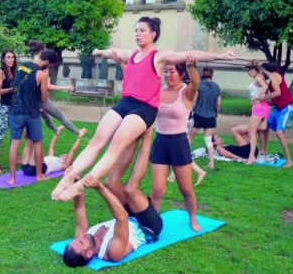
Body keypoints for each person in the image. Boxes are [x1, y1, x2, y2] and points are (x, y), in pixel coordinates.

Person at [51, 16, 237, 202]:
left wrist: (220, 56)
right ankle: (69, 177)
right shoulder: (131, 54)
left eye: (142, 30)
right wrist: (100, 51)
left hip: (144, 109)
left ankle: (79, 185)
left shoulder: (158, 58)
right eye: (136, 30)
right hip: (126, 103)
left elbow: (190, 52)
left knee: (115, 146)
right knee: (96, 141)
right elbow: (113, 51)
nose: (137, 34)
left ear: (153, 33)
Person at [63, 130, 163, 267]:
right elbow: (122, 216)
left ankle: (134, 133)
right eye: (80, 242)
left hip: (128, 217)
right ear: (89, 254)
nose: (80, 237)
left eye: (76, 239)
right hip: (147, 225)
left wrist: (76, 181)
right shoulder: (112, 252)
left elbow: (79, 206)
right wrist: (99, 188)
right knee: (131, 189)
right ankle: (147, 136)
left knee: (111, 182)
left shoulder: (84, 237)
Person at [150, 55, 203, 231]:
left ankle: (193, 218)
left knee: (186, 190)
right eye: (166, 71)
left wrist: (191, 67)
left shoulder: (186, 92)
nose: (168, 75)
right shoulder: (159, 91)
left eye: (171, 71)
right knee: (157, 190)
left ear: (181, 74)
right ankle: (154, 224)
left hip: (179, 143)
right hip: (160, 142)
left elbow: (196, 84)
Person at [7, 48, 59, 185]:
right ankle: (39, 175)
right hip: (32, 112)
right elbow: (44, 97)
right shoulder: (41, 74)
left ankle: (12, 178)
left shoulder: (21, 65)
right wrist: (45, 79)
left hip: (15, 111)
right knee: (37, 142)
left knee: (14, 143)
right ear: (47, 62)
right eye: (50, 65)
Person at [27, 40, 82, 137]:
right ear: (41, 51)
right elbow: (47, 86)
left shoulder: (31, 65)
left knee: (45, 116)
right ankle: (78, 133)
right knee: (59, 115)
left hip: (33, 100)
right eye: (45, 48)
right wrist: (65, 87)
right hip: (40, 100)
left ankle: (56, 130)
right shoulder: (43, 68)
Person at [255, 62, 293, 168]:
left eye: (260, 71)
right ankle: (263, 152)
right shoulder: (272, 78)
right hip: (278, 108)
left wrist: (262, 98)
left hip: (287, 108)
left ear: (263, 70)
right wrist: (264, 102)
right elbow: (276, 99)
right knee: (263, 127)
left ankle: (290, 161)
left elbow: (278, 93)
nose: (260, 73)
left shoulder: (273, 77)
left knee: (279, 133)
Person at [230, 60, 270, 164]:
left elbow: (266, 87)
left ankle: (252, 156)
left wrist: (257, 97)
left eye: (249, 70)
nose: (248, 72)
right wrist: (256, 98)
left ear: (254, 69)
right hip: (260, 106)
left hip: (260, 107)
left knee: (252, 131)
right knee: (259, 130)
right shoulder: (259, 77)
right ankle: (262, 152)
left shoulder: (258, 77)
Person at [188, 66, 221, 169]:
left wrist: (190, 112)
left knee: (189, 138)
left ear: (202, 73)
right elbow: (218, 104)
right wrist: (216, 114)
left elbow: (194, 101)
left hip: (199, 114)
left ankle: (184, 159)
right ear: (212, 74)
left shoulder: (199, 85)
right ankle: (211, 163)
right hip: (211, 116)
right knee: (208, 140)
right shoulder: (217, 87)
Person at [21, 126, 87, 176]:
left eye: (66, 156)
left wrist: (79, 138)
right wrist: (57, 134)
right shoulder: (52, 157)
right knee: (28, 141)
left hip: (38, 169)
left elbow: (73, 150)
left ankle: (30, 130)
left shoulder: (64, 165)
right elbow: (51, 146)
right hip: (26, 169)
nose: (65, 154)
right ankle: (26, 126)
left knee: (36, 143)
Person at [0, 50, 17, 174]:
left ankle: (15, 157)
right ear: (3, 59)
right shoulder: (1, 72)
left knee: (15, 134)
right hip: (4, 107)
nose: (11, 59)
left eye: (13, 57)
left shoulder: (15, 72)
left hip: (15, 107)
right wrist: (12, 89)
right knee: (0, 135)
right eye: (8, 57)